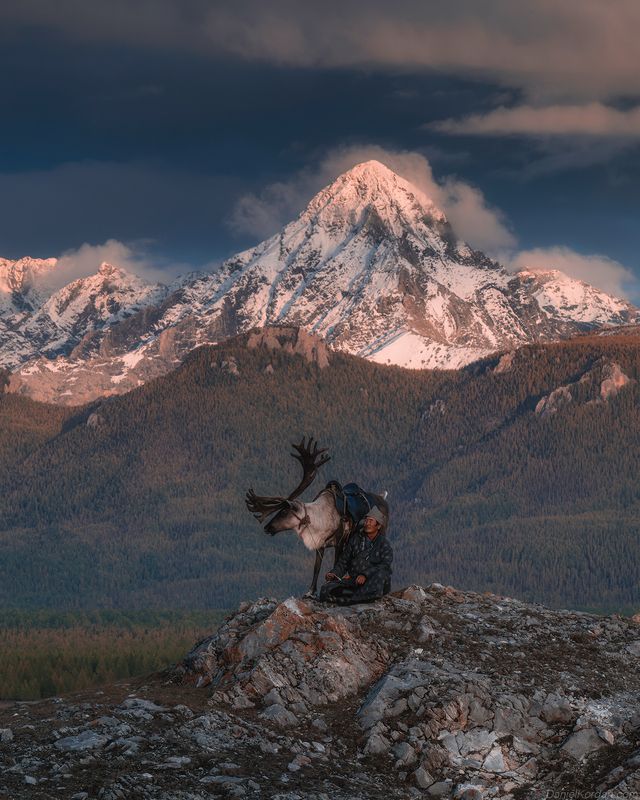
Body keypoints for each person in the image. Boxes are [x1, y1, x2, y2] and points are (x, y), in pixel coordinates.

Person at [319, 506, 393, 605]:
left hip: (373, 581)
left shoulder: (384, 544)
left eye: (371, 521)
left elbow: (385, 565)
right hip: (354, 581)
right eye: (366, 521)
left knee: (381, 575)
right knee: (325, 589)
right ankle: (357, 597)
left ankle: (349, 600)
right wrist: (334, 573)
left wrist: (365, 575)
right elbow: (344, 561)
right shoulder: (355, 539)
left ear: (378, 526)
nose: (367, 523)